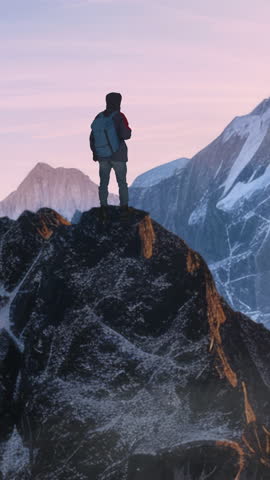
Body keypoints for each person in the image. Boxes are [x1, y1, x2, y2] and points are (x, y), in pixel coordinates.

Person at [89, 92, 132, 217]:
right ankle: (124, 208)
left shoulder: (99, 117)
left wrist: (95, 153)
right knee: (122, 183)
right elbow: (126, 135)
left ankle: (103, 207)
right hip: (118, 156)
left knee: (103, 183)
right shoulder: (119, 116)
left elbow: (92, 137)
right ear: (118, 102)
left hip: (102, 156)